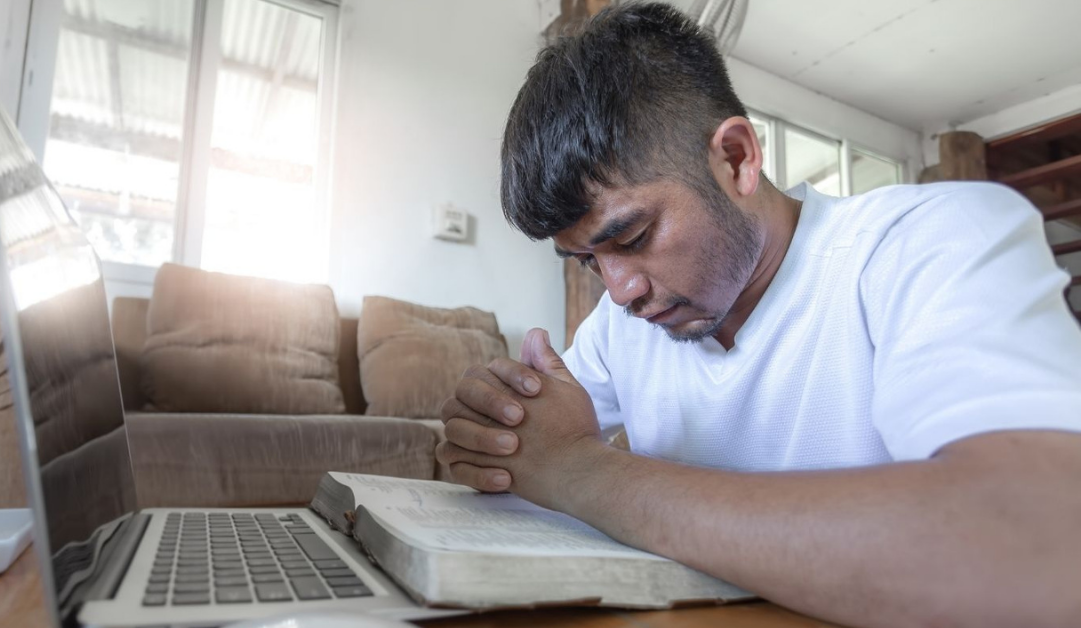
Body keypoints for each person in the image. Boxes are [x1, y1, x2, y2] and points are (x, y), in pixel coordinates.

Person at [435, 3, 1081, 627]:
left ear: (738, 158)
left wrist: (580, 468)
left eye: (631, 238)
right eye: (586, 261)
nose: (620, 289)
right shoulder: (617, 327)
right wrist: (497, 433)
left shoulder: (936, 239)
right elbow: (532, 459)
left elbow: (1036, 550)